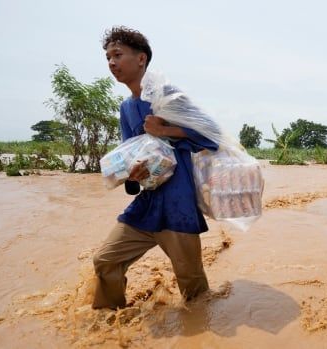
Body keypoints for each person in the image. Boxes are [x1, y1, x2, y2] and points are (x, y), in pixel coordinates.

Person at [92, 26, 219, 309]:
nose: (112, 63)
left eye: (118, 55)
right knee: (105, 260)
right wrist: (132, 175)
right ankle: (109, 324)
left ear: (141, 59)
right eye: (108, 57)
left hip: (178, 206)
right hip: (145, 206)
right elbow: (130, 158)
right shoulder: (126, 108)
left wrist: (167, 129)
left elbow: (213, 136)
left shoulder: (168, 96)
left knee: (194, 290)